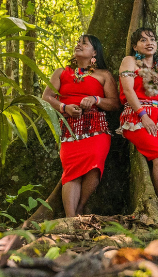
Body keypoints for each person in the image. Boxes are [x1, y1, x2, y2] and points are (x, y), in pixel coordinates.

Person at [41, 34, 120, 217]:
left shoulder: (104, 75)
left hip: (97, 128)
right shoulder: (61, 72)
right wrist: (64, 107)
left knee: (94, 166)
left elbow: (115, 103)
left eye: (84, 44)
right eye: (78, 42)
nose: (79, 45)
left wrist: (96, 99)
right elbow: (46, 97)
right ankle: (70, 218)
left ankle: (80, 208)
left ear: (95, 53)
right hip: (70, 129)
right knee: (71, 171)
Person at [117, 27, 158, 218]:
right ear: (135, 46)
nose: (149, 43)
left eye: (152, 39)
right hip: (136, 116)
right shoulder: (129, 61)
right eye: (143, 40)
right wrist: (143, 115)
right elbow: (128, 90)